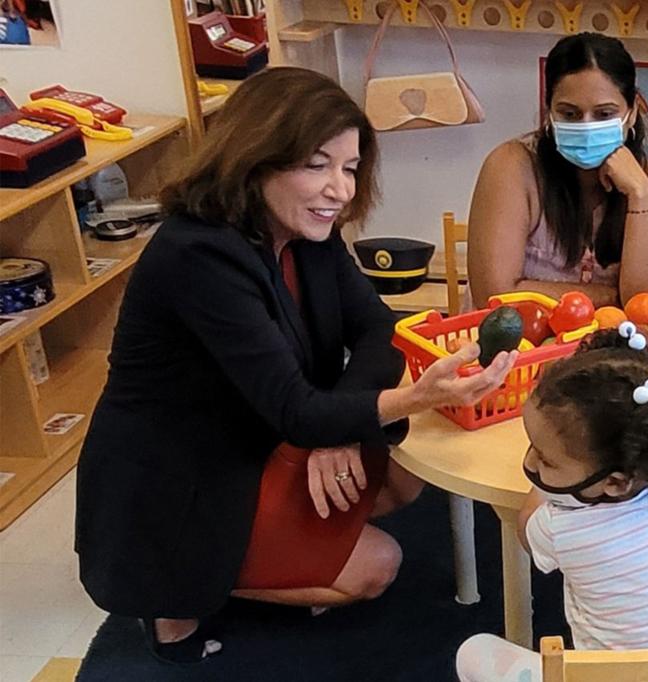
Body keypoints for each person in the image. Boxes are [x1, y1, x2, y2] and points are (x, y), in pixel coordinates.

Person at [74, 67, 516, 665]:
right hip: (179, 483)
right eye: (317, 165)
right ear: (256, 159)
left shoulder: (307, 234)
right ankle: (175, 588)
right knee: (378, 566)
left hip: (260, 437)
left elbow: (378, 328)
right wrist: (409, 400)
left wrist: (334, 428)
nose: (340, 189)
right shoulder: (196, 254)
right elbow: (296, 408)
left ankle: (246, 556)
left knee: (402, 475)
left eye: (350, 168)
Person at [455, 324, 648, 681]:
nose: (532, 463)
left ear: (615, 482)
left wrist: (546, 491)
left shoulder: (561, 527)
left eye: (544, 458)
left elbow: (525, 531)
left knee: (473, 651)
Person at [467, 33, 648, 310]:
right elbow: (495, 295)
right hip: (518, 350)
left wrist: (640, 195)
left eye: (604, 114)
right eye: (570, 114)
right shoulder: (511, 166)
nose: (586, 126)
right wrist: (608, 297)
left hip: (611, 350)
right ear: (550, 112)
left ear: (632, 111)